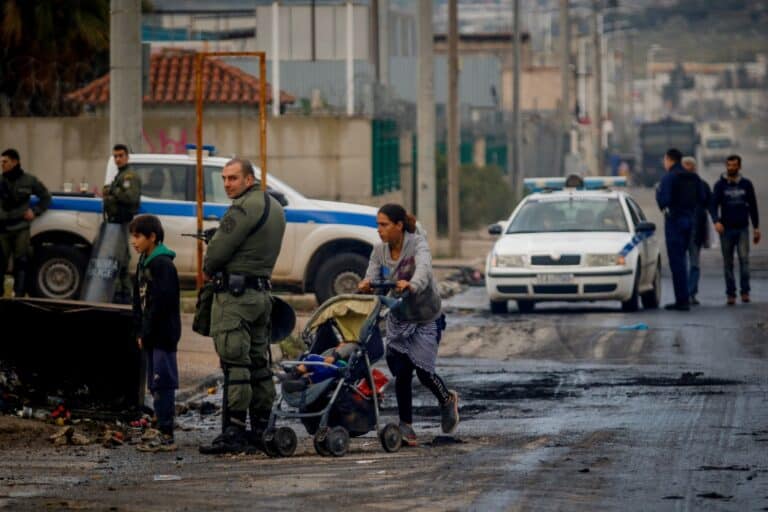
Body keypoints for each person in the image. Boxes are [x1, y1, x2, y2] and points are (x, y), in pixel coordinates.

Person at [199, 158, 286, 455]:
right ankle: (261, 429)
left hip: (236, 299)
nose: (226, 184)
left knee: (236, 365)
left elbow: (216, 255)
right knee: (259, 365)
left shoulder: (241, 207)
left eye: (233, 178)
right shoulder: (274, 206)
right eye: (224, 178)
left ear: (249, 180)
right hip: (262, 295)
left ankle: (234, 432)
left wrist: (210, 255)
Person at [358, 204, 459, 446]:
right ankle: (407, 427)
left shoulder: (418, 245)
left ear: (399, 226)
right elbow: (371, 274)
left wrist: (411, 284)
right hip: (399, 316)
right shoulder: (378, 251)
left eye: (384, 225)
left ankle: (447, 400)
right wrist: (366, 284)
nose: (379, 230)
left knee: (424, 372)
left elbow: (423, 270)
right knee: (401, 371)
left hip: (425, 317)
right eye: (377, 225)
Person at [129, 214, 181, 453]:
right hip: (150, 333)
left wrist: (148, 330)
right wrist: (140, 330)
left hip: (163, 333)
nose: (133, 241)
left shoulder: (163, 265)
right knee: (154, 382)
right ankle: (159, 424)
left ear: (152, 237)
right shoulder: (144, 262)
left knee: (163, 381)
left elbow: (162, 303)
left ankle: (166, 432)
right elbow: (139, 301)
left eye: (138, 236)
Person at [656, 148, 706, 311]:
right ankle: (684, 297)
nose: (664, 163)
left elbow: (664, 202)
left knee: (677, 262)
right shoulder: (693, 177)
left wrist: (658, 193)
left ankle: (682, 300)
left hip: (675, 223)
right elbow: (703, 197)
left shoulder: (669, 178)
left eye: (665, 159)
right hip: (690, 222)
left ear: (669, 160)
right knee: (685, 260)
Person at [710, 154, 760, 305]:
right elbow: (713, 205)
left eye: (734, 165)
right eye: (729, 165)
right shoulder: (720, 185)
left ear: (739, 166)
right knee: (728, 263)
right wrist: (716, 221)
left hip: (743, 228)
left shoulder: (746, 184)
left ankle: (745, 292)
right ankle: (730, 294)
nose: (731, 168)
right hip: (726, 230)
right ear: (726, 166)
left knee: (744, 261)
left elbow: (753, 206)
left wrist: (756, 227)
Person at [0, 148, 51, 297]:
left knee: (21, 262)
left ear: (15, 162)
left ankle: (20, 294)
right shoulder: (1, 181)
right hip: (2, 228)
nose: (2, 165)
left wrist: (34, 212)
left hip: (20, 227)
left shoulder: (29, 180)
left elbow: (46, 197)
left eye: (5, 162)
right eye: (1, 162)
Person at [103, 144, 141, 304]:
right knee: (119, 258)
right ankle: (122, 295)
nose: (118, 159)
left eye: (120, 156)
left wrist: (113, 192)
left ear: (127, 157)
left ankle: (124, 296)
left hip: (123, 222)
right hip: (116, 222)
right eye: (115, 156)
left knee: (121, 259)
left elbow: (131, 197)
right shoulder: (120, 175)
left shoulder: (129, 177)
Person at [681, 156, 712, 305]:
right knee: (681, 264)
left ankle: (691, 293)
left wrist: (717, 222)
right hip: (680, 231)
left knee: (694, 264)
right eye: (685, 166)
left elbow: (710, 206)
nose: (688, 168)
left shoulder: (702, 185)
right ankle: (683, 294)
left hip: (696, 232)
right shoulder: (677, 185)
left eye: (690, 166)